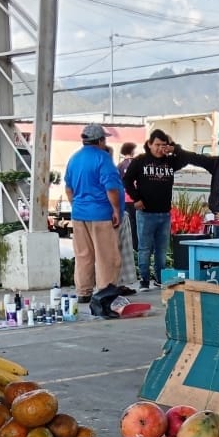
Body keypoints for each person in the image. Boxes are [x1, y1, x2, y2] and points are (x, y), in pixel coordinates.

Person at [122, 129, 212, 288]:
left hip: (164, 213)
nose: (159, 148)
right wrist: (136, 198)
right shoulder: (140, 161)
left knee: (161, 250)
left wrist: (173, 146)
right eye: (156, 145)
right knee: (144, 248)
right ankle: (144, 280)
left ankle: (159, 278)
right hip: (145, 213)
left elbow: (185, 158)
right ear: (149, 144)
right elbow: (127, 180)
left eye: (163, 145)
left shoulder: (170, 161)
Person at [63, 123, 125, 304]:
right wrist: (115, 209)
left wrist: (77, 205)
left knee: (83, 255)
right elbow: (111, 188)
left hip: (79, 214)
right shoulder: (103, 158)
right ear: (100, 140)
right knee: (106, 256)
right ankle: (106, 292)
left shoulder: (74, 158)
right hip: (101, 215)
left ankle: (83, 292)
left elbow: (68, 188)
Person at [117, 142, 139, 251]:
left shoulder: (120, 166)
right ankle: (136, 247)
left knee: (127, 224)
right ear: (132, 151)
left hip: (124, 198)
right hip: (136, 198)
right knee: (136, 224)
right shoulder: (137, 164)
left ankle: (128, 247)